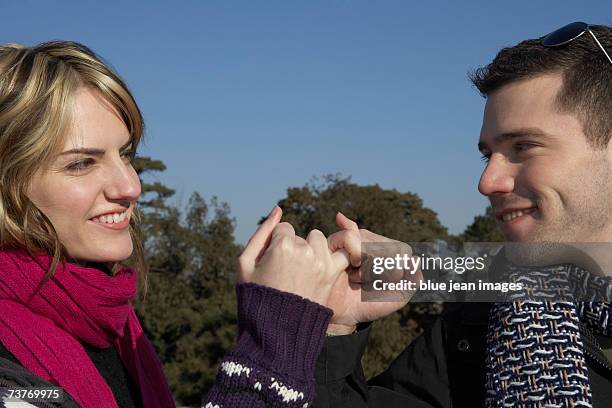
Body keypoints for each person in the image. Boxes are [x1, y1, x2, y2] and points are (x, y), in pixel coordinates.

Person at [0, 41, 350, 408]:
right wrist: (273, 342)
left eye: (125, 154)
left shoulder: (108, 320)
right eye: (82, 163)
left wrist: (327, 331)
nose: (130, 186)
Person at [309, 22, 612, 408]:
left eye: (524, 146)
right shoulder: (481, 328)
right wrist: (333, 328)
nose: (488, 182)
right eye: (488, 155)